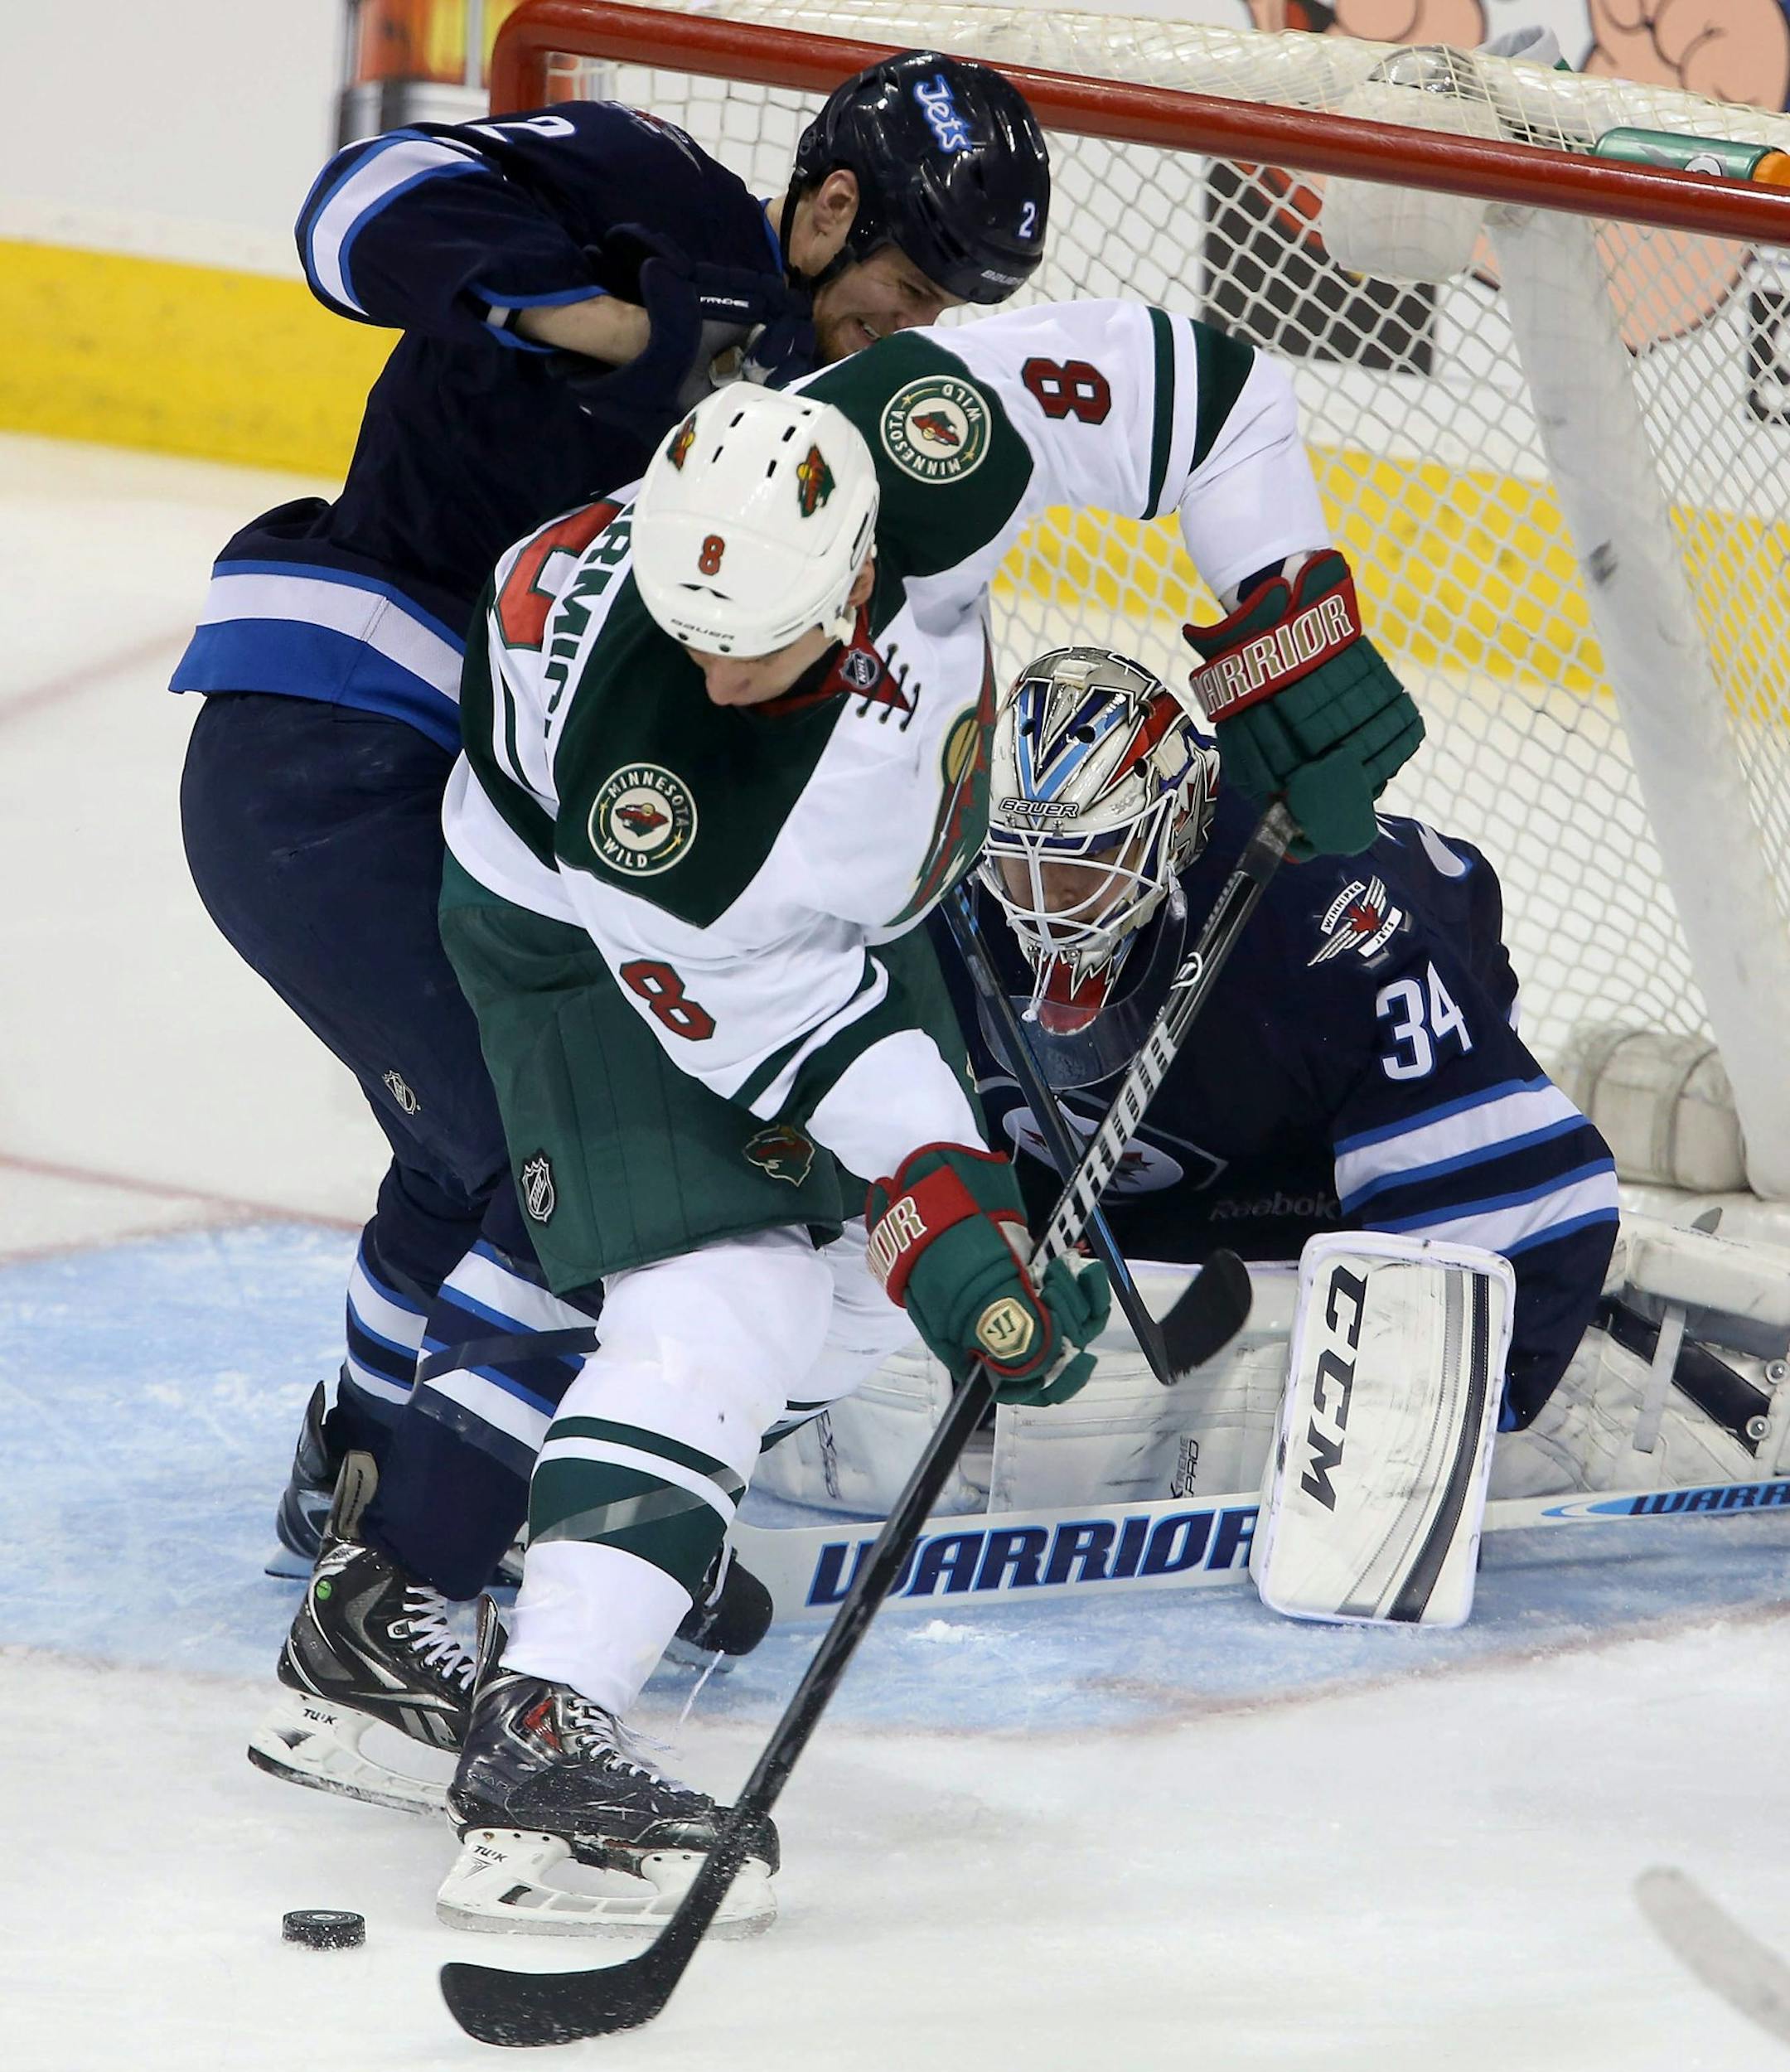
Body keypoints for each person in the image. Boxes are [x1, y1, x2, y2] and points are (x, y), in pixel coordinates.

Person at [389, 288, 1429, 1934]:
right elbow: (805, 1034)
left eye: (760, 648)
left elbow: (1208, 392)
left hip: (854, 907)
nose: (721, 680)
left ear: (859, 564)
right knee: (724, 1289)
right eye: (702, 647)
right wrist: (949, 1195)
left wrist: (1286, 623)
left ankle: (645, 1501)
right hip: (580, 939)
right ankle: (541, 1727)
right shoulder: (656, 795)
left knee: (872, 1295)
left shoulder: (922, 428)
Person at [172, 54, 1051, 1806]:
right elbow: (353, 215)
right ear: (824, 212)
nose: (925, 327)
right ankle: (407, 1584)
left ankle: (376, 1477)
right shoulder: (660, 197)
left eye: (961, 305)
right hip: (340, 741)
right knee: (552, 1165)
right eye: (912, 281)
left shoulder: (838, 437)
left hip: (473, 813)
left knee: (464, 1159)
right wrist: (621, 327)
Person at [768, 644, 1788, 1556]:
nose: (1040, 901)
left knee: (1477, 1324)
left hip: (1310, 1139)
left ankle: (1688, 1383)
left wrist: (1444, 1408)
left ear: (1169, 827)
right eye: (1019, 860)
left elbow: (1517, 1199)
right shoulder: (948, 901)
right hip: (1158, 1151)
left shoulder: (1324, 921)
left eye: (1080, 866)